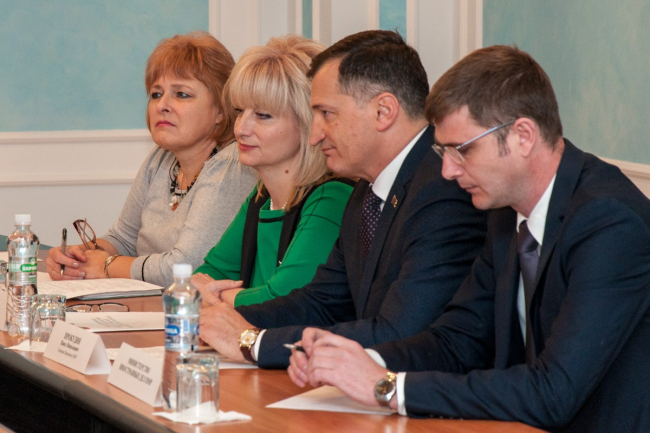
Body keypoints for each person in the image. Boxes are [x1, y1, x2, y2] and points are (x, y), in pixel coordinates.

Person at [288, 45, 650, 433]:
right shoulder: (504, 212)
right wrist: (361, 362)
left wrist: (388, 388)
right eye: (443, 151)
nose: (447, 170)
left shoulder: (609, 223)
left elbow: (553, 392)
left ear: (523, 136)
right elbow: (457, 340)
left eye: (462, 150)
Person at [198, 30, 487, 368]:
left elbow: (399, 334)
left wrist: (252, 341)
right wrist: (220, 320)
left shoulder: (443, 190)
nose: (315, 135)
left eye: (326, 114)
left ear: (383, 111)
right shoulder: (368, 190)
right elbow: (321, 302)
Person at [45, 32, 257, 287]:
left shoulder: (232, 167)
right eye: (156, 94)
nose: (162, 105)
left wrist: (106, 265)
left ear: (221, 110)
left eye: (181, 94)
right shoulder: (161, 159)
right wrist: (77, 257)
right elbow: (123, 238)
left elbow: (186, 267)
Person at [190, 35, 354, 308]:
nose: (241, 128)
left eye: (263, 115)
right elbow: (204, 276)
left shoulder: (332, 197)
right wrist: (208, 290)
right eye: (240, 111)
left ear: (308, 123)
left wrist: (216, 295)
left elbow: (281, 301)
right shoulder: (261, 197)